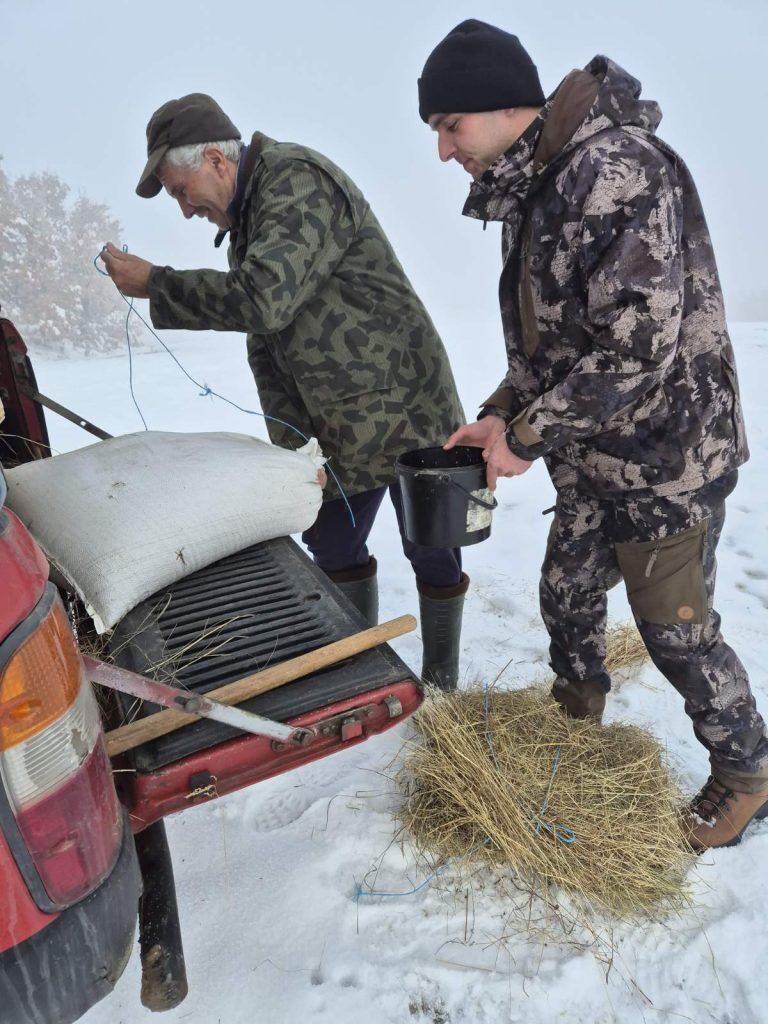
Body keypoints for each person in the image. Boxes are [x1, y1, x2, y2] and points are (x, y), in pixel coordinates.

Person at [418, 19, 768, 848]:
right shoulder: (536, 185)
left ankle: (747, 772)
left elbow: (637, 346)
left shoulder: (613, 172)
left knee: (674, 626)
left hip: (666, 455)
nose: (442, 152)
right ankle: (575, 728)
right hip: (597, 451)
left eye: (448, 127)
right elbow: (559, 344)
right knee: (567, 592)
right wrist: (504, 411)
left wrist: (529, 435)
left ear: (503, 108)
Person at [100, 94, 467, 689]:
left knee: (432, 544)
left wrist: (157, 285)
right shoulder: (250, 213)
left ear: (217, 160)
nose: (185, 210)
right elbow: (271, 342)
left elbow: (264, 298)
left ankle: (443, 679)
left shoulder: (295, 180)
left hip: (404, 404)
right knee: (331, 543)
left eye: (179, 189)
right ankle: (364, 672)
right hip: (336, 421)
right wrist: (293, 445)